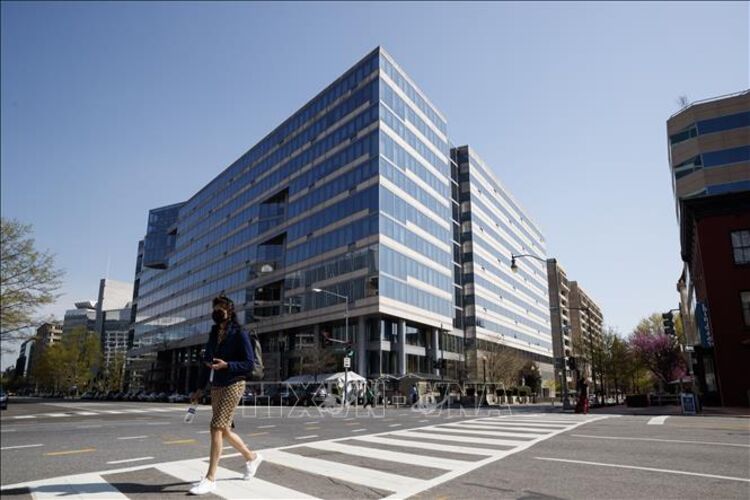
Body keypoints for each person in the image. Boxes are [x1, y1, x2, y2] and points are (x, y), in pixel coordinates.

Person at [189, 294, 263, 495]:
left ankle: (210, 478)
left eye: (220, 309)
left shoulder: (240, 333)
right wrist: (199, 388)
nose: (216, 312)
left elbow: (249, 364)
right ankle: (252, 457)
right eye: (214, 309)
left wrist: (227, 365)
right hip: (217, 385)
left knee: (216, 427)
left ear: (229, 311)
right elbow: (207, 363)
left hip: (234, 383)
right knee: (224, 430)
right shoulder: (214, 333)